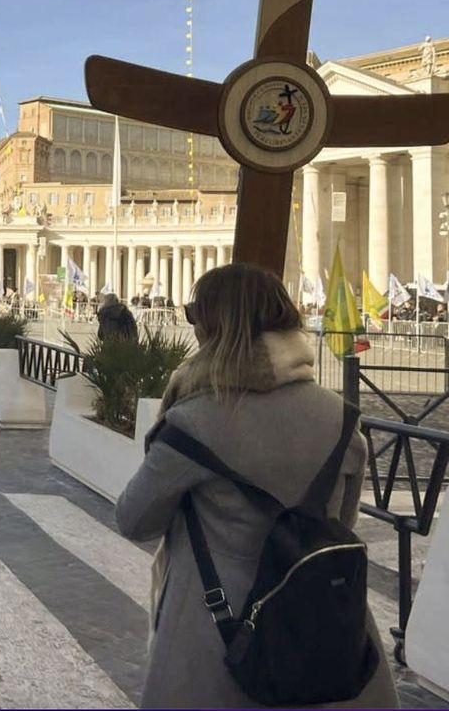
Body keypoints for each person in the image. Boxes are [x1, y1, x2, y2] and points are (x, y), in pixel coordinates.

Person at [115, 263, 397, 708]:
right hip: (322, 631)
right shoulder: (341, 418)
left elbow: (134, 520)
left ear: (213, 327)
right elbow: (341, 523)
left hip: (215, 632)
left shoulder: (194, 421)